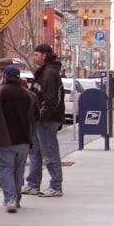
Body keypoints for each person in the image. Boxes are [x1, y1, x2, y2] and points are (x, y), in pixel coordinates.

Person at [0, 65, 38, 212]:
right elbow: (36, 115)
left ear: (5, 77)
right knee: (19, 170)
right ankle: (16, 198)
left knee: (5, 169)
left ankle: (10, 199)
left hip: (4, 139)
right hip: (25, 139)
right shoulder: (29, 95)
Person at [24, 43, 66, 197]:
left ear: (45, 55)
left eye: (36, 55)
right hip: (39, 120)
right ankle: (33, 184)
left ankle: (55, 186)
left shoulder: (49, 74)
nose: (34, 58)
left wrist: (41, 116)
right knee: (35, 152)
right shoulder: (44, 72)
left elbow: (51, 100)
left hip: (46, 120)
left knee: (49, 152)